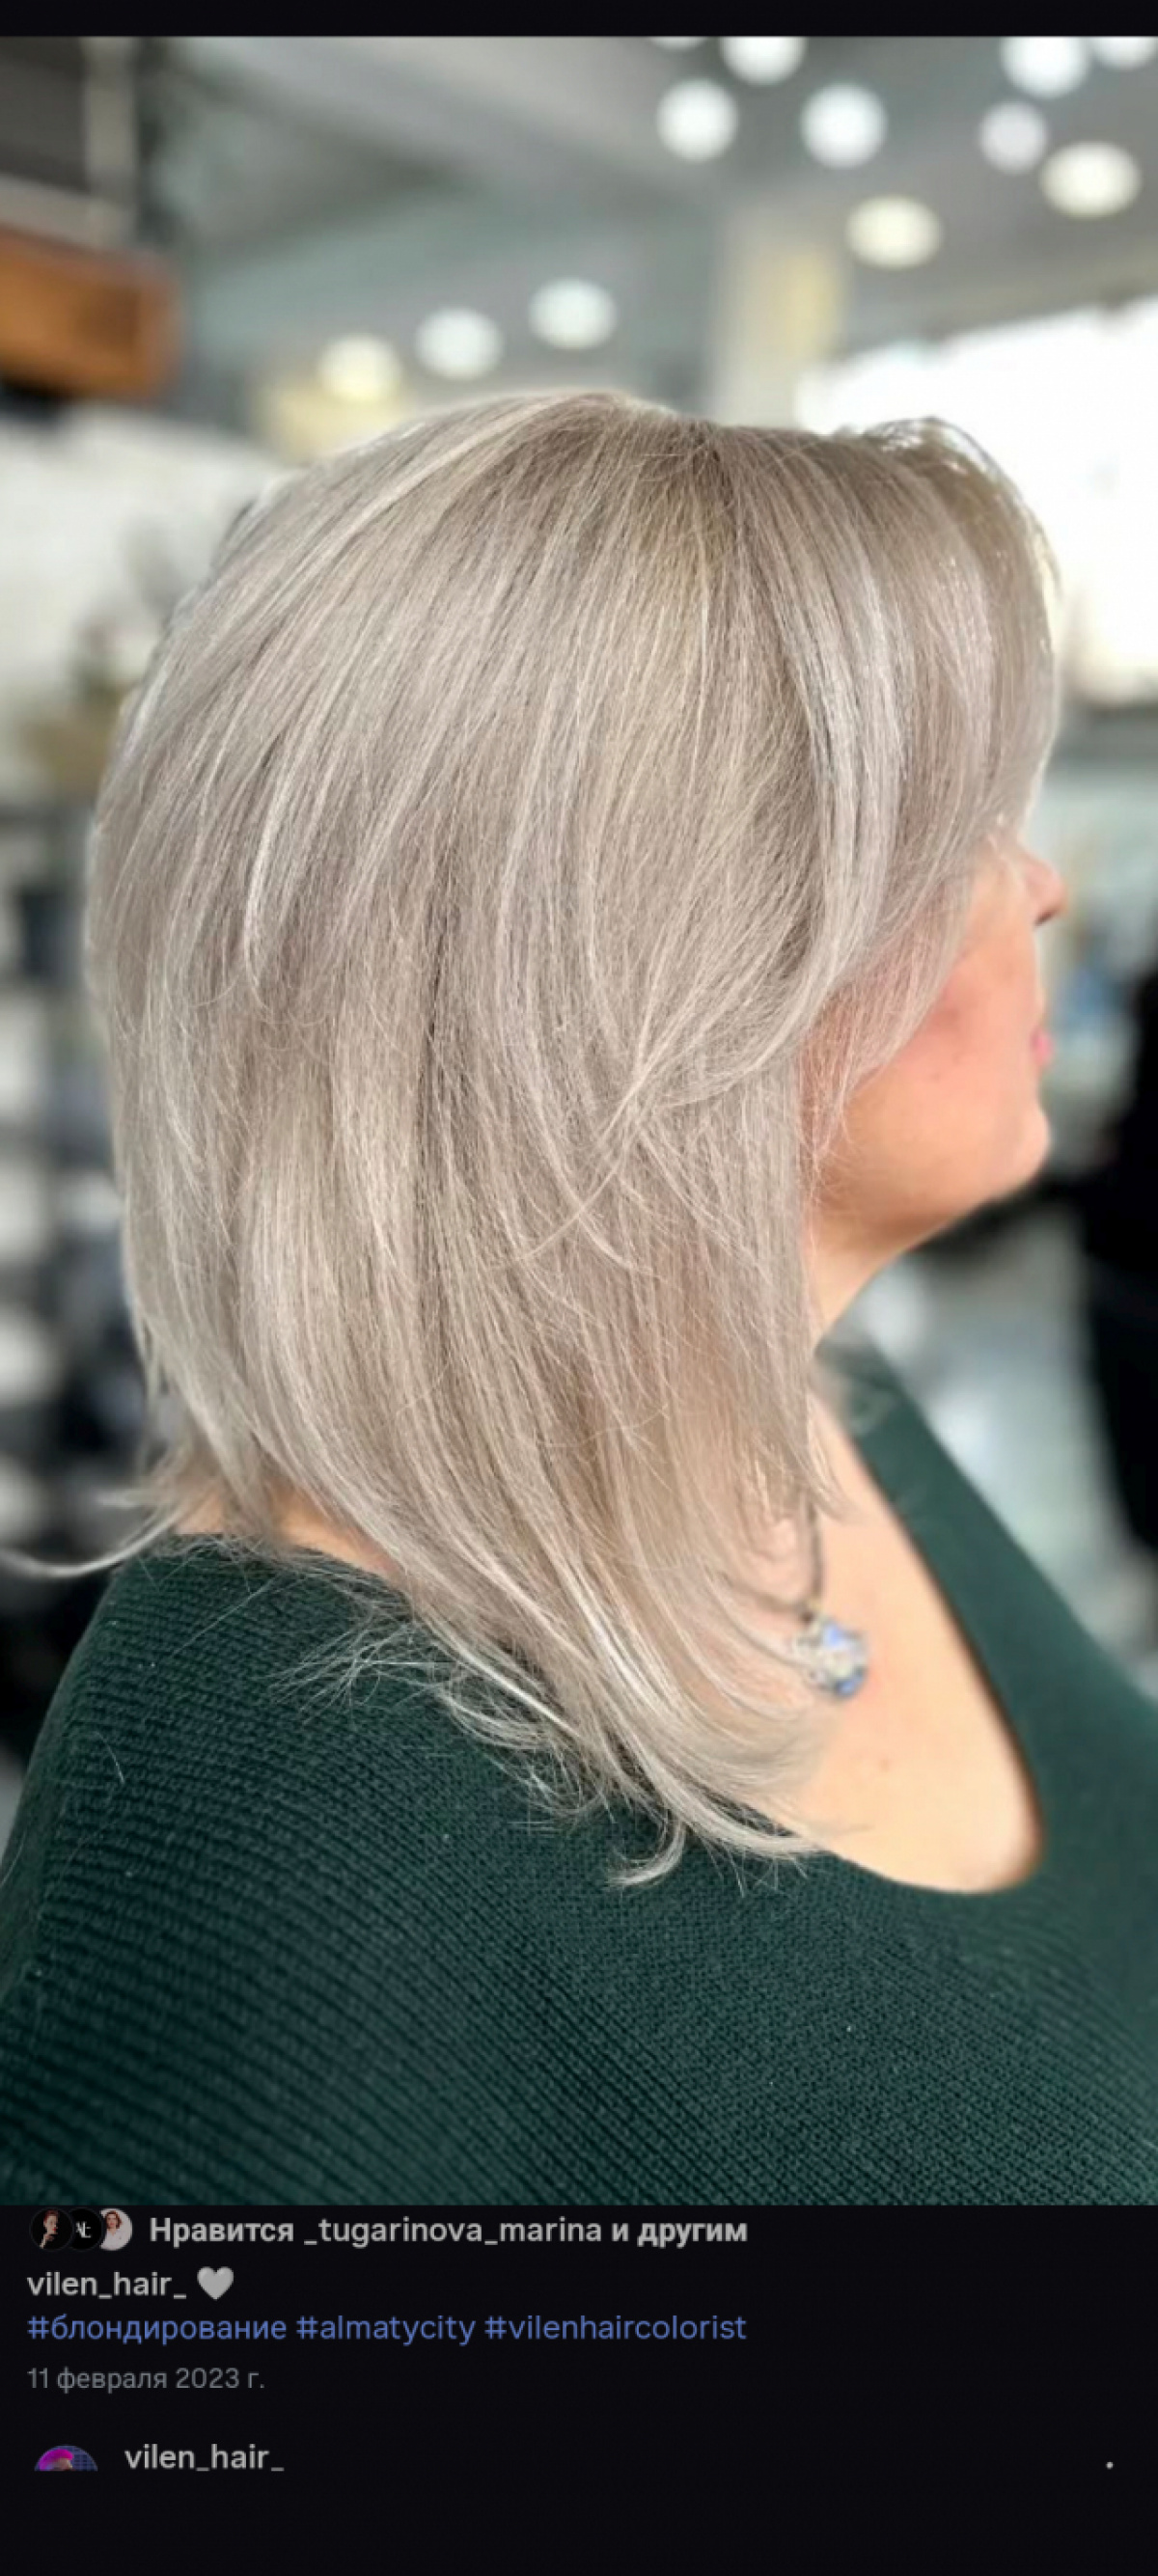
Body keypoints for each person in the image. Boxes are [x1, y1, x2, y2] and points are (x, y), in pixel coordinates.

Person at [1, 391, 1156, 2207]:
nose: (1041, 891)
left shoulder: (824, 1421)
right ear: (657, 959)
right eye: (957, 831)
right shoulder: (269, 1817)